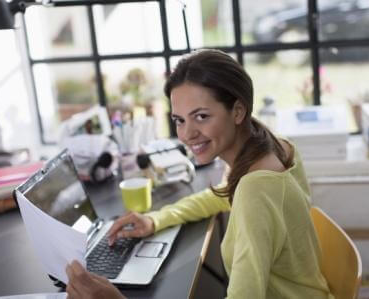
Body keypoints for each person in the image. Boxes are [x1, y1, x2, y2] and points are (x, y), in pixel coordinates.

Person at [66, 49, 334, 299]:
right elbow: (223, 195)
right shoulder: (275, 148)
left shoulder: (257, 189)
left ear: (238, 111)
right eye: (180, 120)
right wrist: (156, 220)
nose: (186, 134)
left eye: (202, 116)